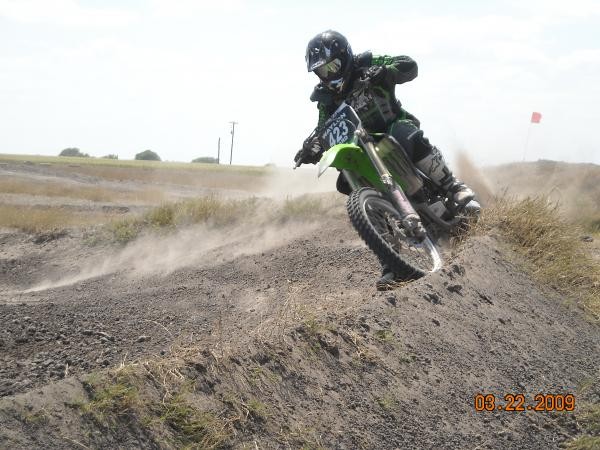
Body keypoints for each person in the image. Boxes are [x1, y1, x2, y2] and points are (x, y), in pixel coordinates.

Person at [295, 30, 475, 290]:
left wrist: (386, 71)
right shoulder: (325, 98)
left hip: (391, 127)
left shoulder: (366, 62)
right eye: (322, 71)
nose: (329, 74)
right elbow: (323, 126)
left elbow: (408, 64)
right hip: (363, 146)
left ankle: (453, 187)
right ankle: (390, 260)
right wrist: (310, 148)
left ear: (345, 57)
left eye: (333, 66)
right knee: (345, 181)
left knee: (404, 133)